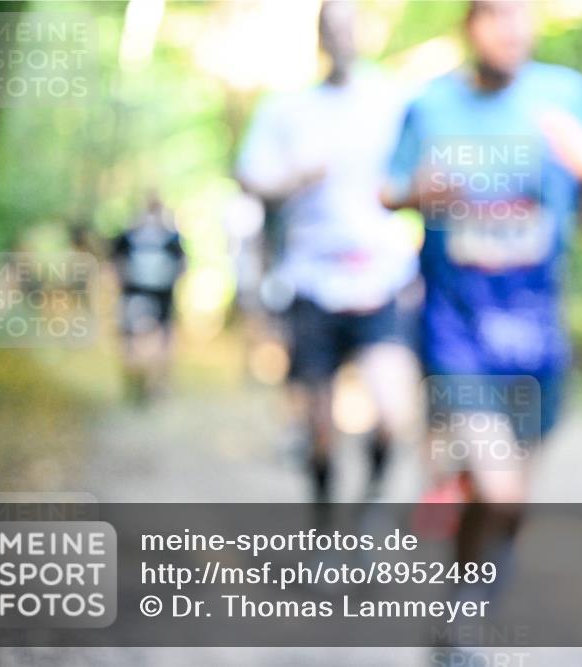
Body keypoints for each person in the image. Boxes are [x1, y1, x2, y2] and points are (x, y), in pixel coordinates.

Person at [382, 0, 582, 595]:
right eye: (495, 13)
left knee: (509, 498)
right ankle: (470, 580)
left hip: (536, 326)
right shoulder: (430, 103)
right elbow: (388, 191)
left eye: (521, 13)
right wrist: (418, 193)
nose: (511, 27)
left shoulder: (567, 97)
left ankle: (466, 601)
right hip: (456, 323)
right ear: (470, 24)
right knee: (501, 489)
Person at [236, 0, 420, 503]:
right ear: (319, 36)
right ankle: (324, 514)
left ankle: (371, 497)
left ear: (364, 33)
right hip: (311, 282)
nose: (341, 38)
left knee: (394, 415)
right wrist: (295, 177)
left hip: (382, 279)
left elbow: (424, 173)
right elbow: (250, 178)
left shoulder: (396, 100)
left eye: (349, 27)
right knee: (319, 432)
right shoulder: (285, 109)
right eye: (331, 29)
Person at [111, 190, 186, 404]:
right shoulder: (170, 235)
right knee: (162, 339)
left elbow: (115, 263)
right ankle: (157, 384)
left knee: (132, 339)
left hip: (134, 291)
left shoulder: (130, 234)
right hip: (162, 292)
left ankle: (135, 382)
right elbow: (182, 265)